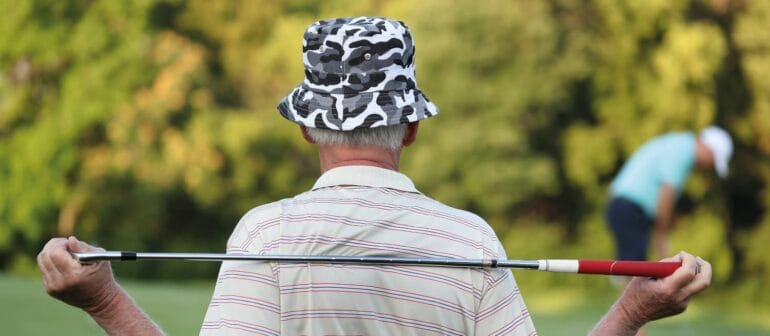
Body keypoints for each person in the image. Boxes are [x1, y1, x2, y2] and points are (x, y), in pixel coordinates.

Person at [38, 16, 711, 336]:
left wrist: (106, 303)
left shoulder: (263, 234)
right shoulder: (471, 240)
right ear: (414, 127)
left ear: (305, 127)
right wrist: (632, 311)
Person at [607, 127, 733, 262]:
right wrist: (661, 235)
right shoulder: (683, 151)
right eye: (713, 160)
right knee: (634, 272)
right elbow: (666, 195)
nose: (709, 167)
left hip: (625, 205)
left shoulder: (680, 144)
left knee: (632, 269)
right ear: (708, 149)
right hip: (629, 207)